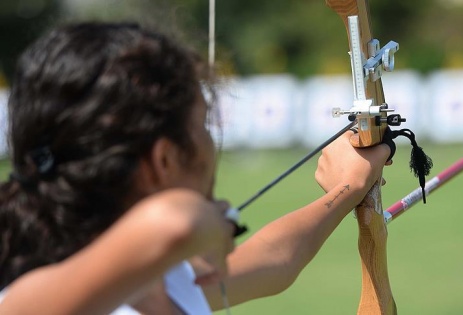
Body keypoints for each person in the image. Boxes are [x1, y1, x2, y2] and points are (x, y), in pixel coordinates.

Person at [0, 22, 391, 314]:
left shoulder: (156, 282)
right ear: (165, 159)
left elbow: (274, 259)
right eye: (203, 123)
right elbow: (174, 223)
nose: (210, 140)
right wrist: (204, 227)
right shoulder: (32, 299)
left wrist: (347, 188)